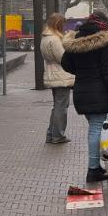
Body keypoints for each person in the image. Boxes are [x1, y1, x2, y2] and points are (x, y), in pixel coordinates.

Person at [61, 11, 108, 183]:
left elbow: (65, 63)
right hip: (99, 92)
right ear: (104, 23)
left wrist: (81, 72)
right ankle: (93, 170)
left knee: (94, 128)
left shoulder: (75, 40)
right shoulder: (105, 41)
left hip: (81, 91)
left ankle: (96, 166)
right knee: (96, 129)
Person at [41, 13, 74, 144]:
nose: (64, 26)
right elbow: (63, 58)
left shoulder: (45, 37)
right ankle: (58, 135)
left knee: (56, 106)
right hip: (61, 76)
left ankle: (51, 134)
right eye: (62, 24)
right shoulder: (55, 39)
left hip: (52, 74)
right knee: (62, 107)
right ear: (58, 24)